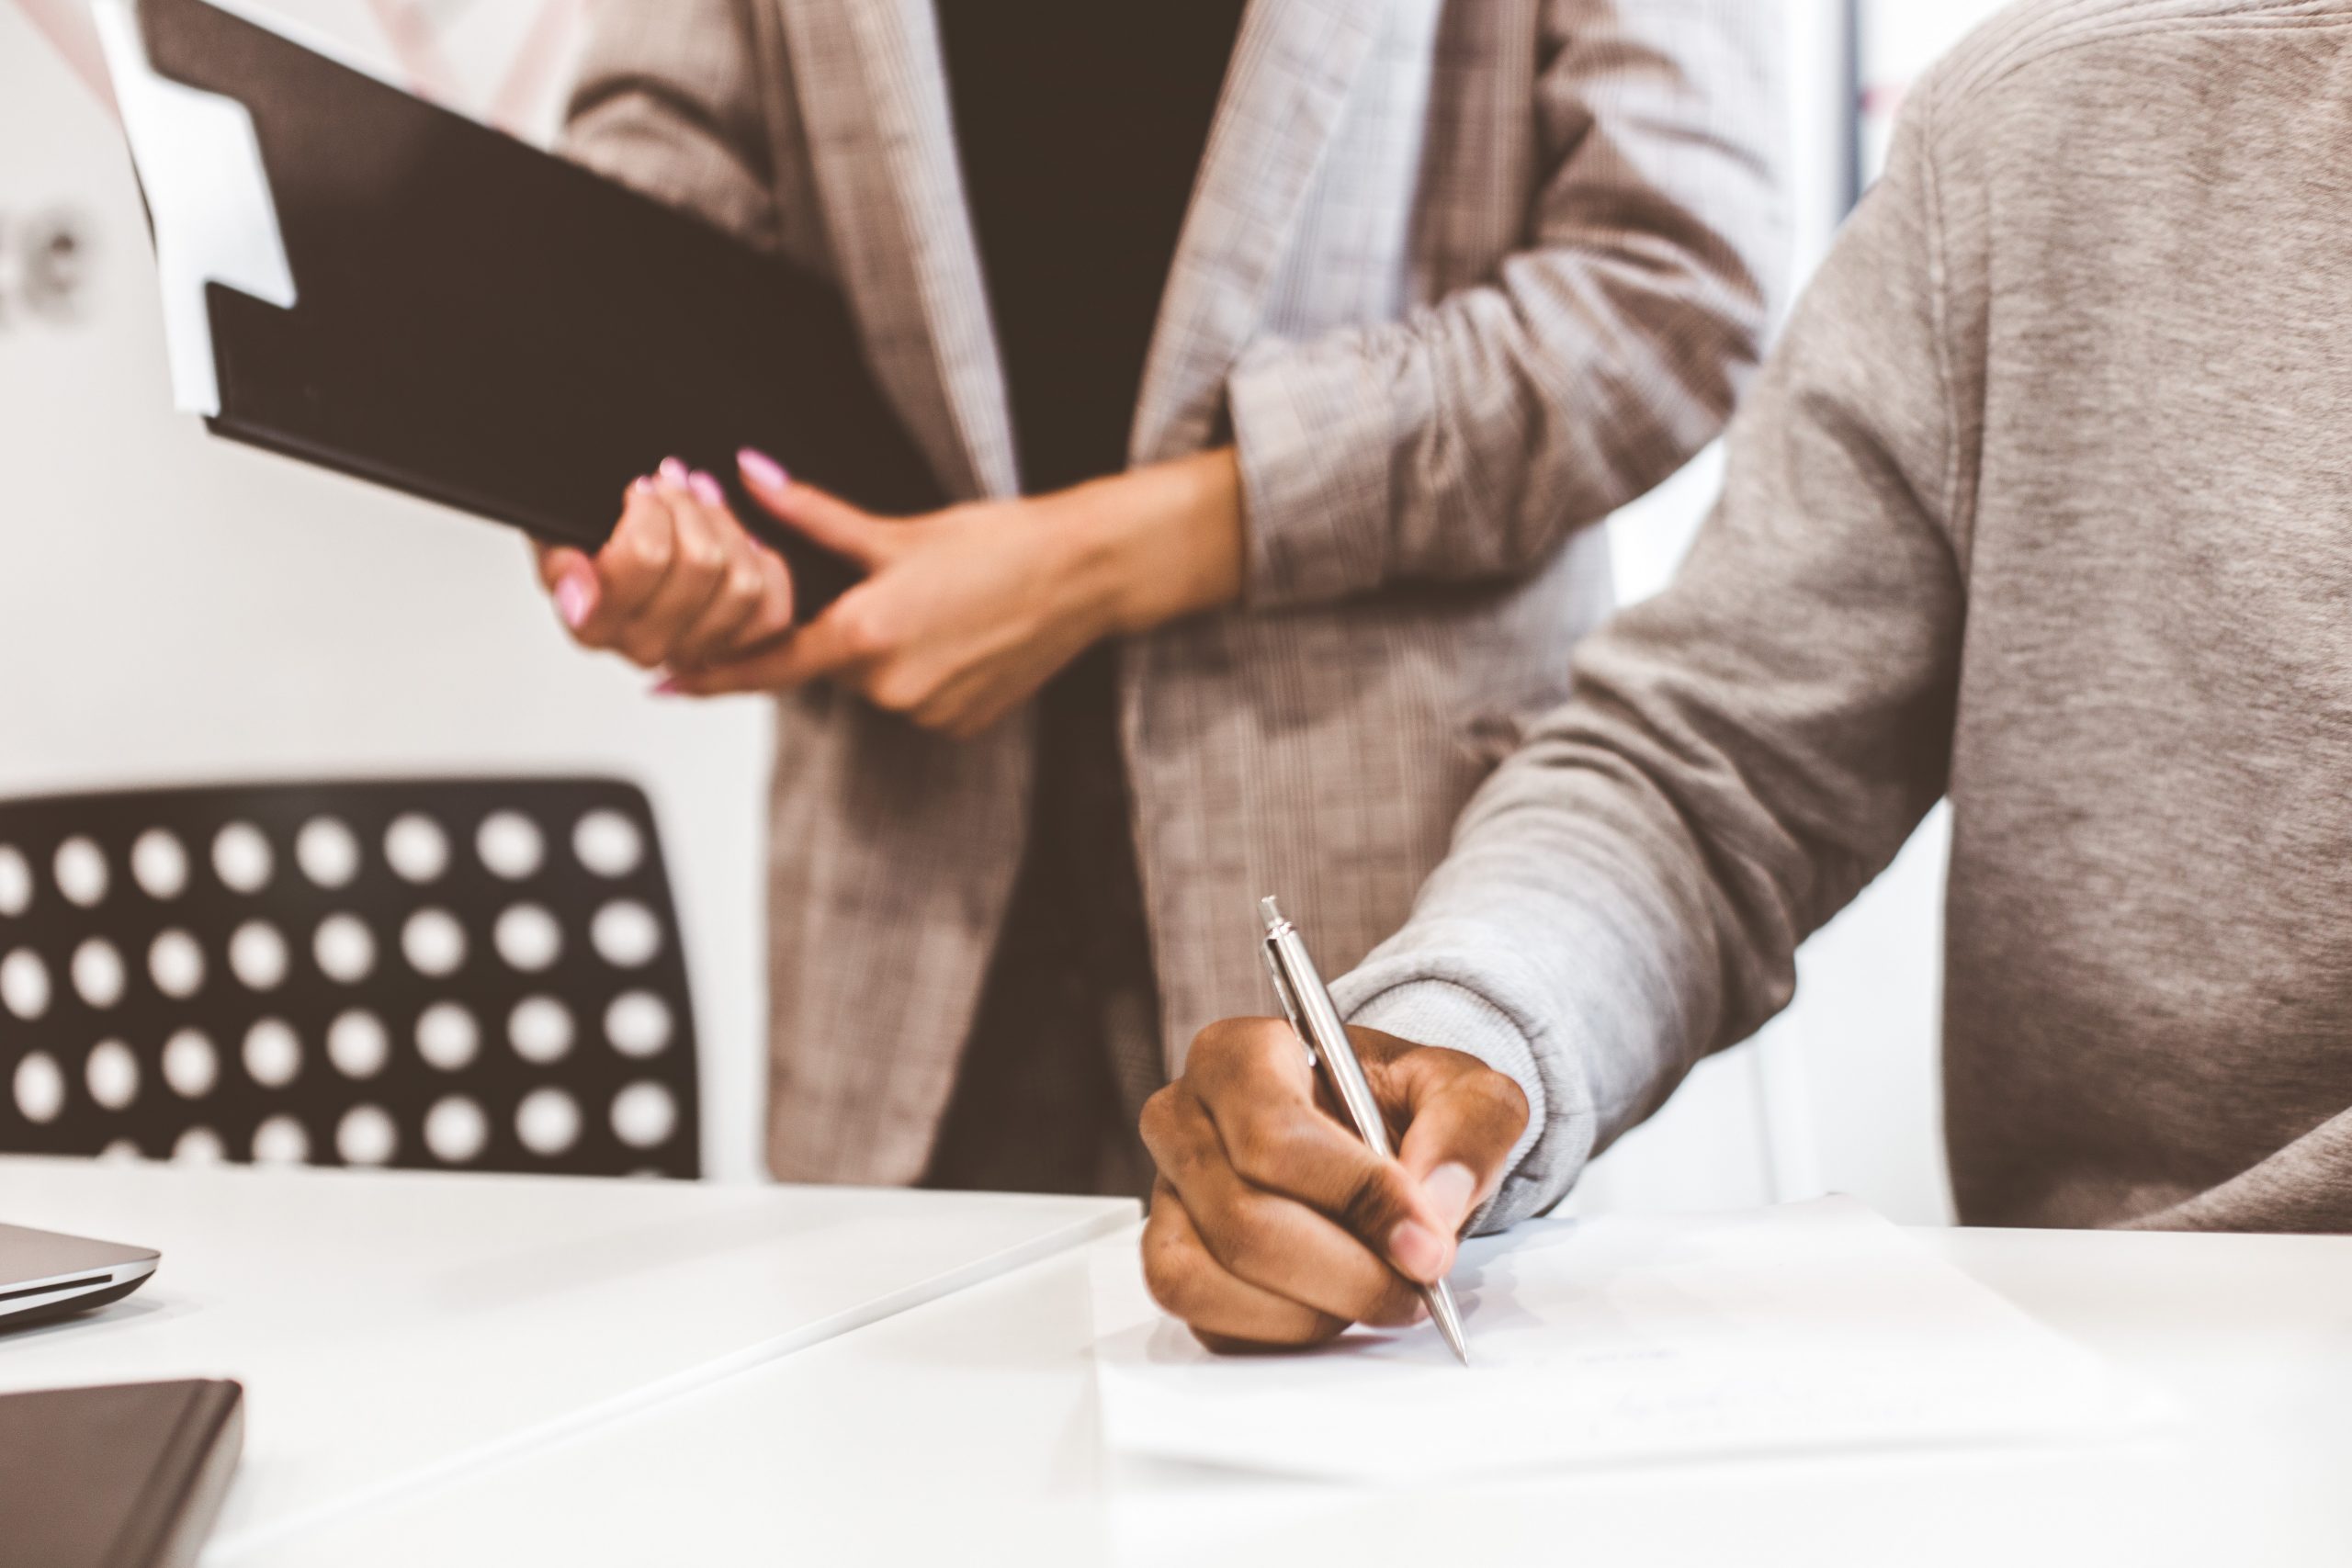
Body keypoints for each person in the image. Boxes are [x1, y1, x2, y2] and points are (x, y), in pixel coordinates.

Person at [1139, 0, 2352, 1350]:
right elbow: (1705, 773)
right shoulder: (2058, 132)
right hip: (2157, 1407)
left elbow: (1663, 298)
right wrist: (1460, 1026)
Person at [543, 2, 1786, 1195]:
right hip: (903, 912)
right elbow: (657, 165)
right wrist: (640, 482)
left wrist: (1118, 554)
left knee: (1353, 1373)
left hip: (1385, 867)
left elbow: (1671, 289)